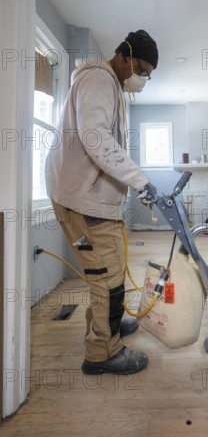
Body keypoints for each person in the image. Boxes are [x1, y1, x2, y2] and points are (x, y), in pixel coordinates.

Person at [45, 29, 159, 376]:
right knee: (107, 278)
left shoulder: (109, 85)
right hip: (83, 202)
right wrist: (141, 181)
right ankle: (102, 352)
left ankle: (105, 325)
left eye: (148, 76)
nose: (142, 78)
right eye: (141, 69)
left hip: (83, 198)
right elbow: (97, 141)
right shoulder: (98, 80)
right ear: (124, 56)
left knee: (106, 271)